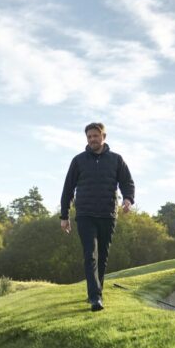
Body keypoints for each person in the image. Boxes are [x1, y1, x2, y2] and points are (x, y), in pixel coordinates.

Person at [59, 122, 135, 311]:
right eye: (89, 137)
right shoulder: (78, 161)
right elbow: (68, 189)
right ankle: (95, 298)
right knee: (90, 255)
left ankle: (96, 292)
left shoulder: (116, 160)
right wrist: (64, 216)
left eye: (95, 136)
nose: (92, 139)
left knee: (102, 256)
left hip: (108, 215)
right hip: (85, 214)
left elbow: (127, 183)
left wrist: (127, 200)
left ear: (103, 137)